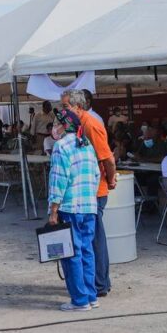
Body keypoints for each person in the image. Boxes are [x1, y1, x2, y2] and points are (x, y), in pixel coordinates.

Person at [63, 89, 116, 298]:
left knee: (94, 239)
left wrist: (110, 179)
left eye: (65, 107)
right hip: (84, 189)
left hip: (96, 189)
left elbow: (108, 158)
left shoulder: (91, 124)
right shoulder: (76, 124)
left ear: (78, 107)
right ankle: (93, 282)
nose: (62, 111)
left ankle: (100, 283)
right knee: (89, 238)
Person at [47, 108, 100, 311]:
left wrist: (53, 210)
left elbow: (58, 180)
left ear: (63, 126)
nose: (54, 128)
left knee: (72, 253)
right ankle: (91, 296)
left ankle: (79, 300)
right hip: (89, 207)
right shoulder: (86, 146)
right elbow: (96, 176)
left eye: (55, 124)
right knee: (87, 251)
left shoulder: (61, 146)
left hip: (70, 207)